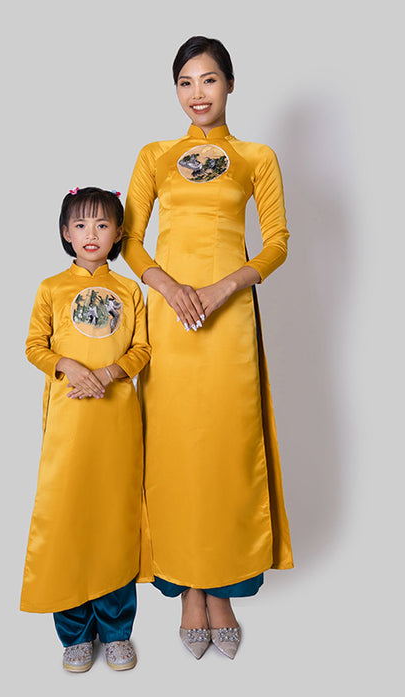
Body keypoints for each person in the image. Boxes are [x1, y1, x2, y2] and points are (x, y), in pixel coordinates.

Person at [122, 36, 294, 660]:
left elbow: (276, 242)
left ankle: (222, 586)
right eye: (186, 82)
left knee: (225, 447)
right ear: (176, 90)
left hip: (228, 320)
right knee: (175, 448)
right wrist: (169, 288)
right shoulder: (155, 156)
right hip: (169, 319)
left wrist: (223, 287)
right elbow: (130, 240)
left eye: (210, 79)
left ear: (230, 84)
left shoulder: (256, 157)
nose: (198, 93)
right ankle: (187, 586)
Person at [21, 187, 151, 672]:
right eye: (80, 225)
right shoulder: (51, 288)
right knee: (69, 516)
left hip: (116, 419)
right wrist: (69, 367)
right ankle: (75, 631)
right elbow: (34, 345)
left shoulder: (130, 290)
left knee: (114, 515)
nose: (90, 233)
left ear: (118, 233)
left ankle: (116, 629)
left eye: (101, 224)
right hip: (69, 422)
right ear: (65, 233)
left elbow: (142, 349)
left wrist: (111, 373)